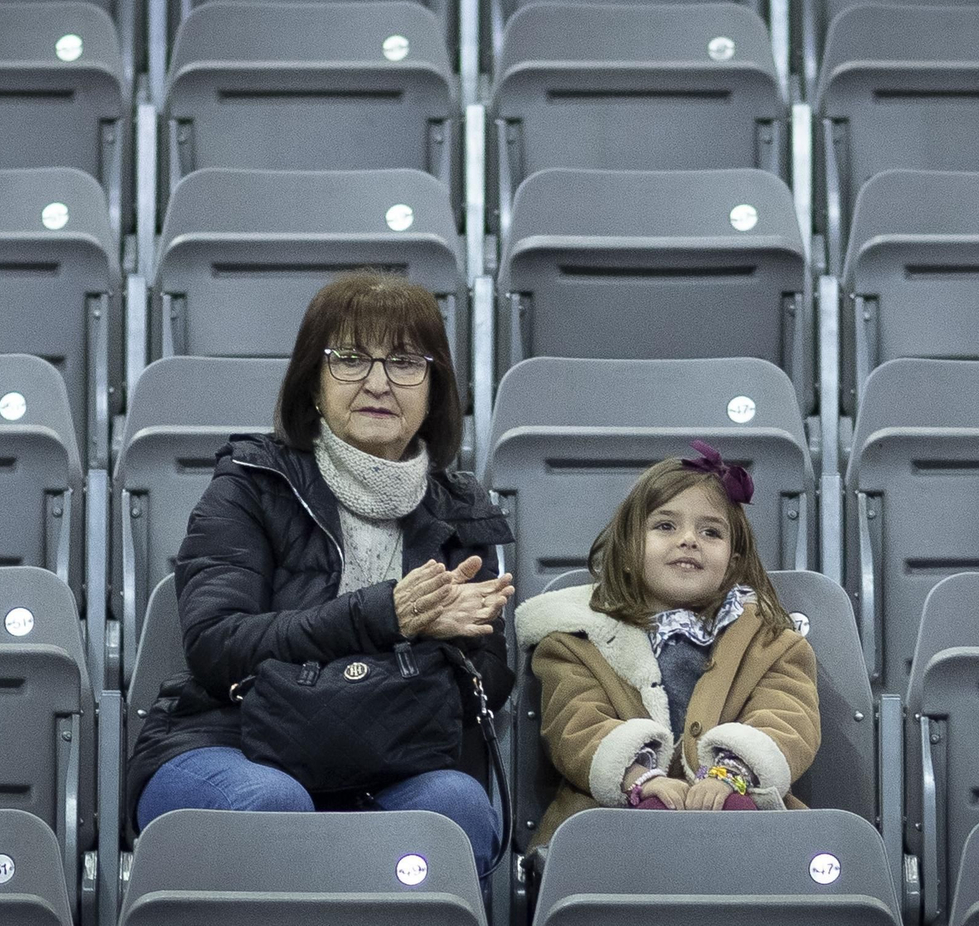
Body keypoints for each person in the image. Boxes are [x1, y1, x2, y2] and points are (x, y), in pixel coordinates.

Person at [126, 271, 515, 875]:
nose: (379, 383)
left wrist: (455, 643)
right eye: (351, 359)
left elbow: (487, 686)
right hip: (229, 739)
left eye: (407, 362)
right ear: (312, 382)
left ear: (435, 390)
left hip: (392, 757)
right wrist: (386, 616)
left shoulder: (463, 510)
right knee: (274, 802)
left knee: (456, 810)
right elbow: (216, 644)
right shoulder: (251, 485)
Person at [514, 443, 819, 844]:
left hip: (736, 804)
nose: (689, 540)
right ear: (626, 551)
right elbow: (576, 722)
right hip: (613, 817)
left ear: (733, 562)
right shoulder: (576, 639)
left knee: (746, 821)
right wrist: (640, 778)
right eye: (665, 526)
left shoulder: (772, 641)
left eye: (711, 532)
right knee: (624, 831)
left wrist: (730, 775)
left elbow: (785, 717)